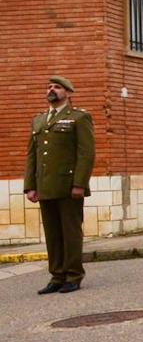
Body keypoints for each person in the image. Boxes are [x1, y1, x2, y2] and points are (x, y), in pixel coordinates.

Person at [24, 75, 94, 296]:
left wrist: (79, 183)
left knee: (70, 232)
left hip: (68, 185)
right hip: (45, 186)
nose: (51, 90)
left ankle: (73, 275)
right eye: (49, 87)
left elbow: (86, 153)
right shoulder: (39, 120)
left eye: (57, 87)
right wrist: (30, 186)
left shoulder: (79, 117)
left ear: (68, 92)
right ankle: (57, 275)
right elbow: (32, 155)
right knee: (52, 233)